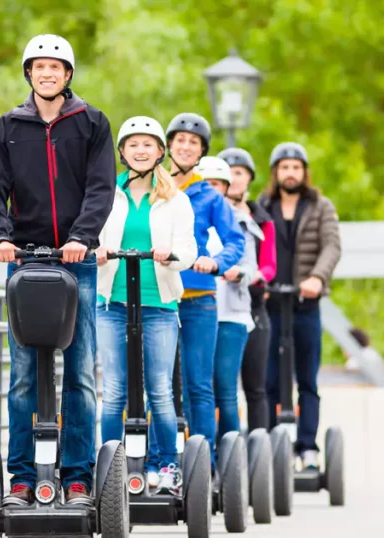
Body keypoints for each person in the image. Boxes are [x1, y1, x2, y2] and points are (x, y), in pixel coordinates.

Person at [0, 34, 116, 505]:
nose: (47, 74)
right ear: (29, 74)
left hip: (76, 264)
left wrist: (82, 238)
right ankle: (20, 477)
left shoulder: (91, 123)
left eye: (55, 68)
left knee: (78, 372)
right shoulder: (9, 126)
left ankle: (77, 476)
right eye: (39, 68)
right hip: (25, 264)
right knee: (22, 375)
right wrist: (0, 238)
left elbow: (101, 188)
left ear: (68, 75)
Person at [95, 116, 198, 493]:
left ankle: (165, 466)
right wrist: (97, 252)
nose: (140, 151)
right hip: (111, 302)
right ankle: (111, 469)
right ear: (122, 152)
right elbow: (88, 237)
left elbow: (189, 252)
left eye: (148, 144)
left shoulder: (176, 199)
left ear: (159, 152)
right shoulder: (106, 193)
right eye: (133, 144)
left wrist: (171, 255)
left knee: (159, 390)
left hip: (159, 304)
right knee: (115, 391)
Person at [159, 112, 246, 471]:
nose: (185, 146)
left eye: (193, 142)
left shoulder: (210, 196)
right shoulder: (152, 188)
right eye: (179, 140)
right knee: (159, 386)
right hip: (159, 297)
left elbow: (235, 240)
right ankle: (158, 463)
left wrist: (216, 262)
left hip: (198, 301)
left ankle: (202, 466)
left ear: (201, 152)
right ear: (169, 146)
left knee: (198, 385)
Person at [258, 142, 341, 470]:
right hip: (271, 304)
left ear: (304, 172)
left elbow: (332, 245)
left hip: (305, 305)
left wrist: (318, 278)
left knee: (307, 380)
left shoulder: (321, 206)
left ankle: (307, 447)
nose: (290, 173)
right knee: (269, 381)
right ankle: (272, 445)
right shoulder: (263, 206)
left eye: (296, 167)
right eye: (284, 167)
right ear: (275, 172)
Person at [198, 155, 259, 441]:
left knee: (225, 387)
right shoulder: (188, 220)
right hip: (196, 310)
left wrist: (236, 272)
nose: (211, 189)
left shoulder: (239, 222)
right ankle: (202, 455)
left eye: (217, 184)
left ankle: (230, 456)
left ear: (225, 188)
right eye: (206, 183)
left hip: (230, 314)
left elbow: (252, 267)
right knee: (199, 388)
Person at [218, 147, 275, 433]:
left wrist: (249, 276)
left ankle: (258, 449)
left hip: (252, 304)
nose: (234, 179)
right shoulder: (212, 214)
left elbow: (269, 264)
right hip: (219, 305)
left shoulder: (261, 220)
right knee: (221, 384)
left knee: (255, 384)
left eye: (239, 173)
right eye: (227, 173)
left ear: (248, 179)